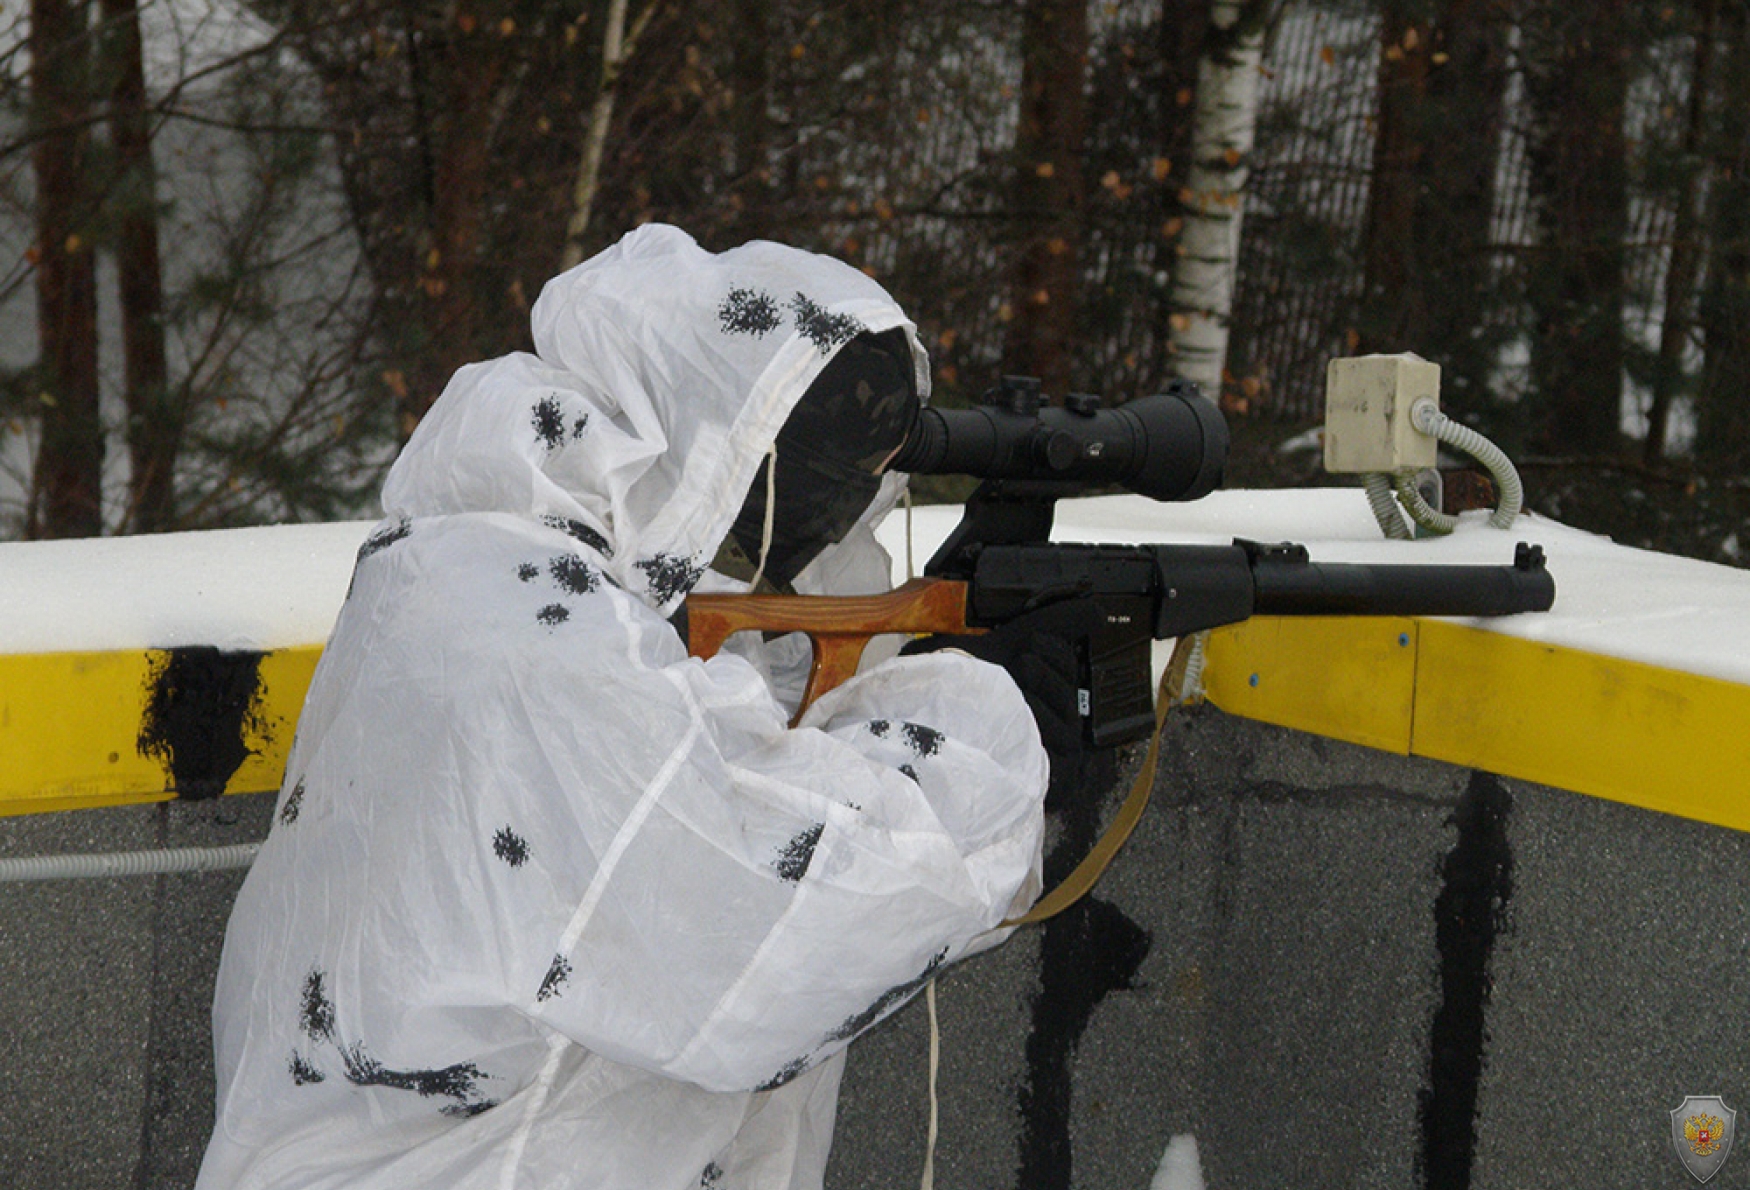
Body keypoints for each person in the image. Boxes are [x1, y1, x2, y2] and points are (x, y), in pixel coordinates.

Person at [196, 224, 1055, 1190]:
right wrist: (984, 713)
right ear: (701, 436)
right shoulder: (543, 659)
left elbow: (722, 725)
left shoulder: (469, 569)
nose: (817, 505)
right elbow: (799, 914)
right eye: (792, 452)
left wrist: (908, 630)